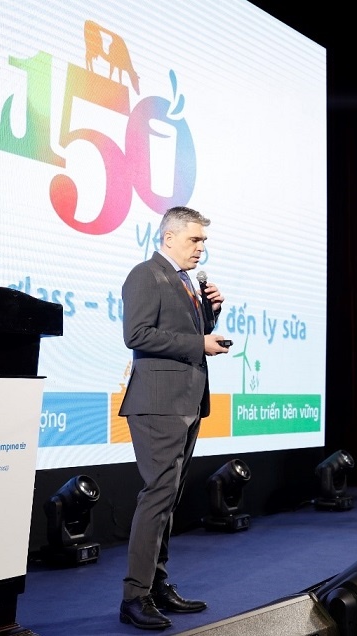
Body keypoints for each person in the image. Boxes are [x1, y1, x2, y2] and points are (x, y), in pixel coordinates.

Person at [118, 206, 230, 630]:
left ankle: (157, 585)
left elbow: (185, 333)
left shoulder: (187, 282)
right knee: (157, 496)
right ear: (169, 238)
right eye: (194, 239)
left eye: (203, 241)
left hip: (186, 401)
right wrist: (199, 343)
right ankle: (135, 597)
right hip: (157, 403)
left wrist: (211, 313)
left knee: (168, 500)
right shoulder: (146, 275)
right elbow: (137, 335)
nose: (201, 248)